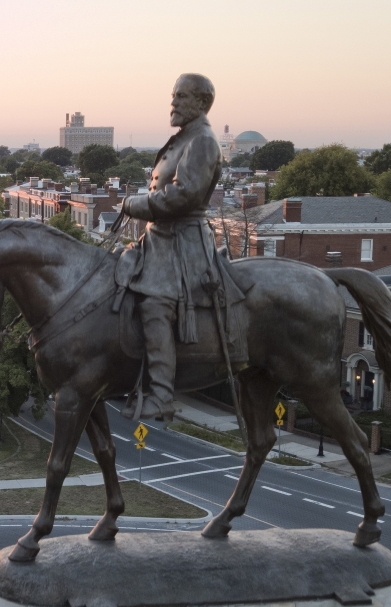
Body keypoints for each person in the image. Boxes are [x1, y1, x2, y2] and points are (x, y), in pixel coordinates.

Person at [114, 73, 240, 421]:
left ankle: (161, 395)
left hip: (182, 244)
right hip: (159, 238)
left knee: (155, 305)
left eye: (181, 96)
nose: (173, 102)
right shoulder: (182, 139)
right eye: (173, 95)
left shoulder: (203, 141)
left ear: (201, 103)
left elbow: (183, 196)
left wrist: (135, 204)